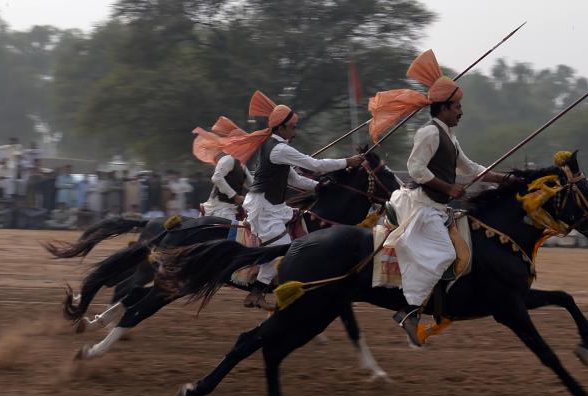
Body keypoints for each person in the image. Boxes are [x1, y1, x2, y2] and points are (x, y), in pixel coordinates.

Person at [369, 50, 520, 346]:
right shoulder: (429, 133)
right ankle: (409, 311)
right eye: (457, 107)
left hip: (437, 208)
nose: (461, 112)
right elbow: (415, 168)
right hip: (421, 208)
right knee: (446, 255)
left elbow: (471, 169)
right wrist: (448, 188)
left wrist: (507, 180)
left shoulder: (449, 136)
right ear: (443, 109)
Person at [221, 91, 364, 310]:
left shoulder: (276, 146)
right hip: (264, 208)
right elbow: (314, 165)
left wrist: (318, 187)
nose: (296, 130)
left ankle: (258, 292)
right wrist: (348, 161)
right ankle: (261, 290)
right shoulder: (278, 149)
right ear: (281, 128)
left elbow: (293, 178)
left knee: (286, 249)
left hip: (274, 206)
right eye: (294, 126)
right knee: (287, 251)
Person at [192, 116, 253, 220]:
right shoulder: (227, 159)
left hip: (232, 208)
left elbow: (252, 185)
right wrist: (235, 196)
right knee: (234, 232)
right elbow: (216, 178)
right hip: (220, 209)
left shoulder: (241, 165)